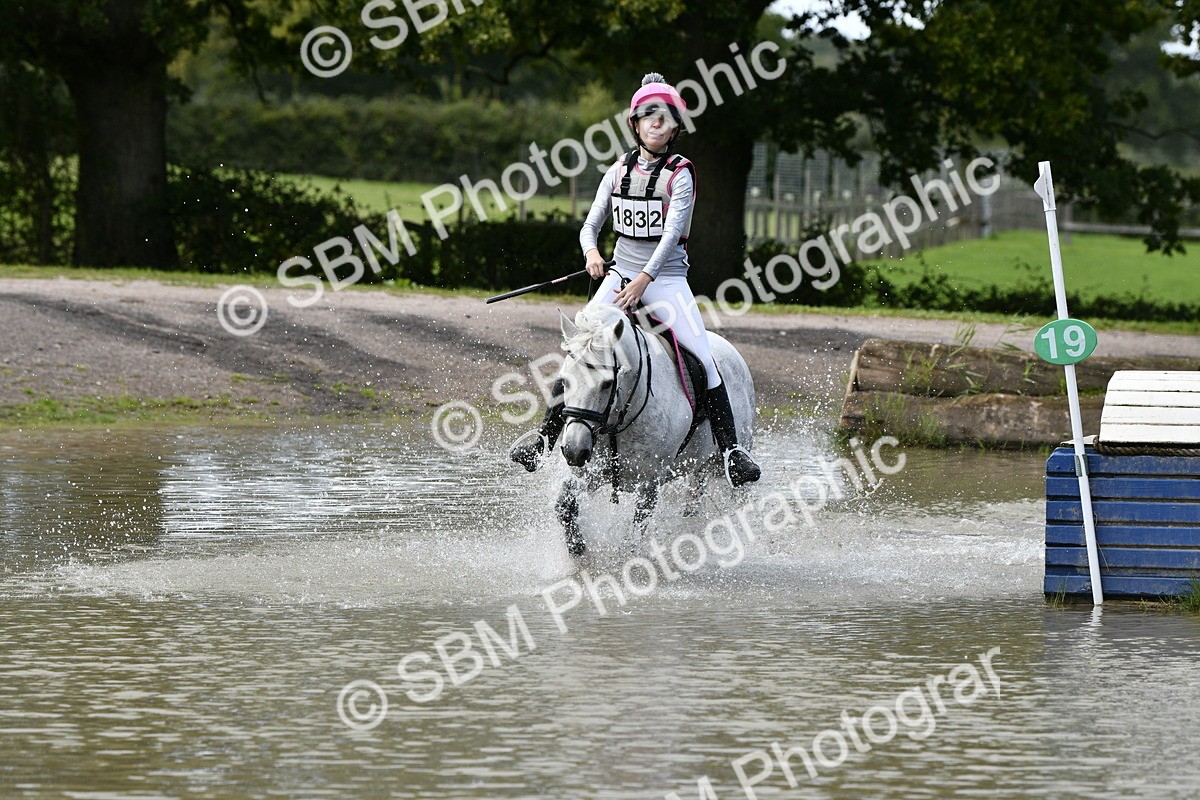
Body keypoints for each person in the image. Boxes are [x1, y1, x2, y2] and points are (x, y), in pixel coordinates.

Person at [510, 72, 761, 487]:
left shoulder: (682, 174)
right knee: (580, 347)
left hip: (665, 280)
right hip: (619, 273)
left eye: (666, 117)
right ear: (635, 124)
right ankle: (544, 436)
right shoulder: (617, 172)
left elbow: (669, 235)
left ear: (677, 127)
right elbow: (590, 225)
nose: (657, 123)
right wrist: (592, 253)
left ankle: (732, 450)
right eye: (649, 116)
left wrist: (645, 279)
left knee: (704, 357)